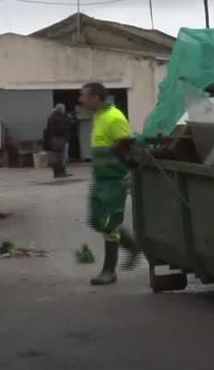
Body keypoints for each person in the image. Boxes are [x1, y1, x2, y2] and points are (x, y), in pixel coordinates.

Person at [79, 83, 142, 285]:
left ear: (97, 97)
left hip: (115, 180)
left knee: (109, 224)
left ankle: (109, 270)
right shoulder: (98, 116)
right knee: (95, 221)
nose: (81, 100)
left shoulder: (114, 117)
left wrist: (129, 176)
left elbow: (128, 147)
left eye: (84, 96)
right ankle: (132, 246)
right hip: (101, 179)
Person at [43, 104, 74, 178]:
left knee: (58, 156)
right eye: (63, 109)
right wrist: (68, 119)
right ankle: (60, 173)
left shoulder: (53, 116)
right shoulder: (57, 117)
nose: (64, 110)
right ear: (60, 109)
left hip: (56, 138)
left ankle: (59, 172)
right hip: (59, 138)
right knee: (60, 157)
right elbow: (63, 127)